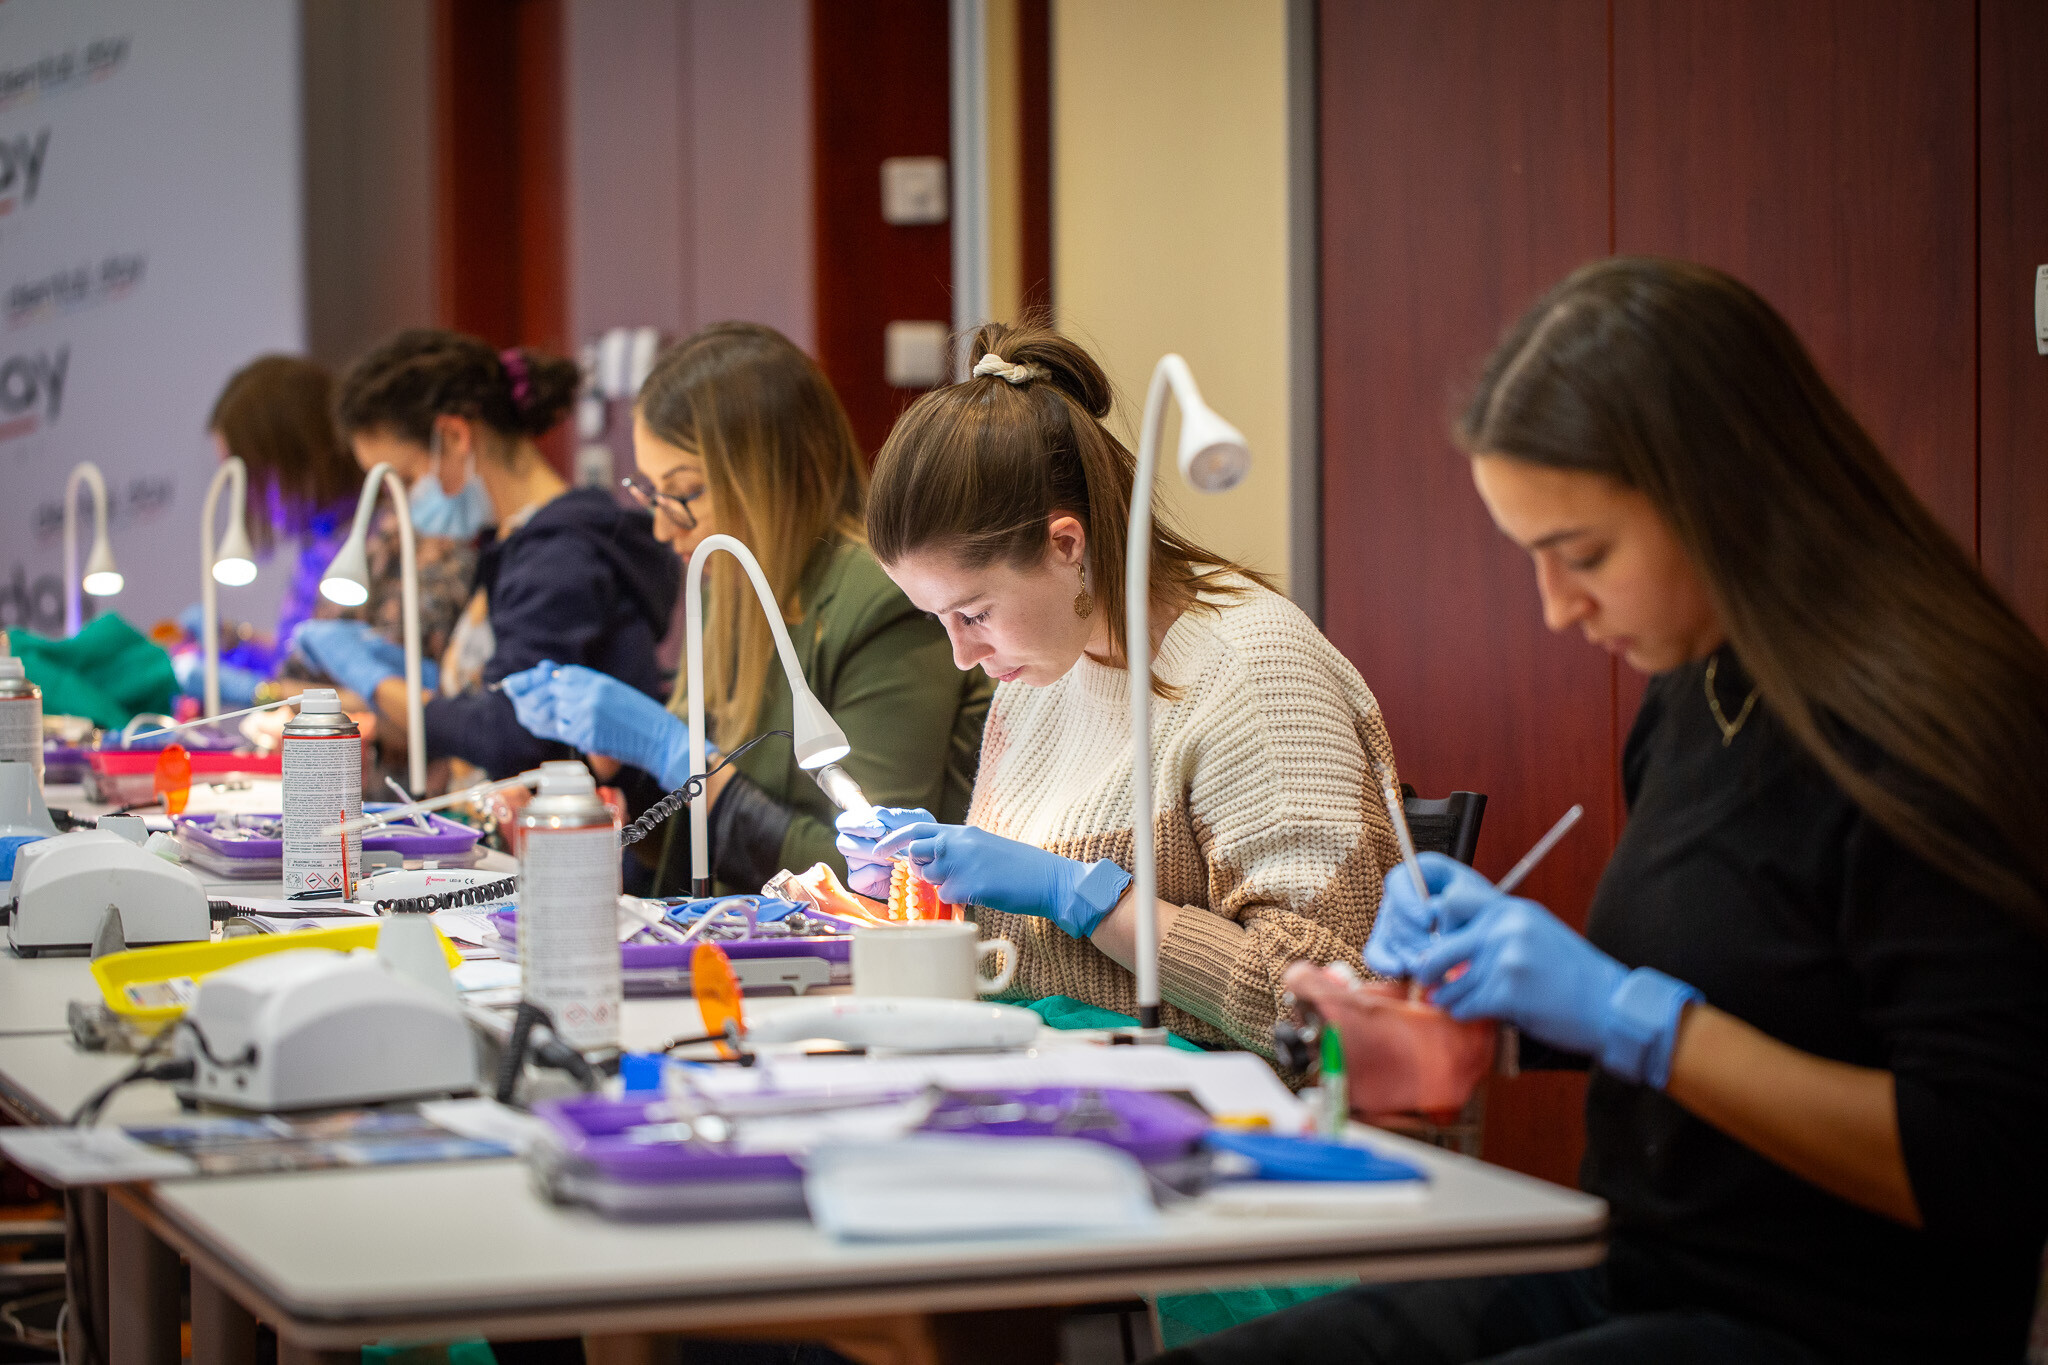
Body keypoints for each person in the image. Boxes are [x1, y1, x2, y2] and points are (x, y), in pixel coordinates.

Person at [1155, 259, 2048, 1363]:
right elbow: (1753, 994)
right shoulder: (1697, 694)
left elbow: (1982, 1163)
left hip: (1833, 1325)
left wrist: (1628, 1014)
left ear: (1725, 491)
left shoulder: (1937, 727)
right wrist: (1479, 1017)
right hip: (1630, 1271)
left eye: (1580, 557)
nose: (1555, 607)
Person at [834, 321, 1404, 1058]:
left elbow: (1327, 1009)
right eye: (937, 619)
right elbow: (1027, 962)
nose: (961, 654)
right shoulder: (1041, 678)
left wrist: (1084, 894)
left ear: (1065, 545)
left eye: (973, 612)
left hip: (1231, 1123)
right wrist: (920, 888)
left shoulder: (1252, 674)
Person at [501, 322, 991, 895]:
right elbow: (695, 845)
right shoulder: (726, 585)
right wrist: (622, 775)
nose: (662, 527)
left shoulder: (888, 603)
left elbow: (878, 874)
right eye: (651, 494)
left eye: (683, 494)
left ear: (775, 475)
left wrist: (678, 755)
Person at [296, 329, 677, 781]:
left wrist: (372, 677)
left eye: (405, 477)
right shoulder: (513, 545)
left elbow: (509, 732)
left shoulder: (559, 557)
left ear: (454, 436)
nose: (402, 504)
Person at [204, 355, 477, 691]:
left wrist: (264, 693)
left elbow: (402, 697)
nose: (248, 499)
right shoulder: (321, 542)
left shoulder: (403, 539)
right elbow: (311, 660)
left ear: (300, 453)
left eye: (251, 477)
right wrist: (239, 644)